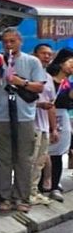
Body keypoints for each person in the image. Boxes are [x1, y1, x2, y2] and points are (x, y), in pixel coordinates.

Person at [0, 27, 47, 212]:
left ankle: (21, 197)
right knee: (2, 158)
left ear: (20, 41)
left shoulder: (32, 61)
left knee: (23, 158)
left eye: (12, 41)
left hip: (24, 116)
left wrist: (21, 82)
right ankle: (4, 197)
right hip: (1, 115)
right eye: (5, 42)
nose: (9, 45)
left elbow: (39, 87)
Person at [31, 42, 57, 205]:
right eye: (43, 53)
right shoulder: (27, 75)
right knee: (31, 160)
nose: (47, 56)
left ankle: (34, 191)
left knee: (40, 161)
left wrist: (54, 128)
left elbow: (51, 104)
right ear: (35, 55)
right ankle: (25, 193)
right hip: (31, 124)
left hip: (44, 125)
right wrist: (39, 105)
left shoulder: (48, 78)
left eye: (49, 54)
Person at [46, 47, 73, 201]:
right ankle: (44, 183)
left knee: (57, 154)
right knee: (43, 154)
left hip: (62, 118)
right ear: (61, 63)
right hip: (45, 116)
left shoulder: (68, 84)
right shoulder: (48, 79)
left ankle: (54, 185)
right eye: (70, 62)